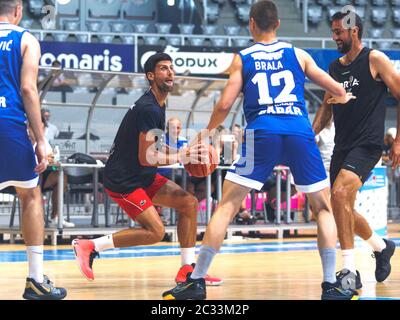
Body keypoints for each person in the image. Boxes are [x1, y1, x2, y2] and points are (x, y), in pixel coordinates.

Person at [162, 0, 356, 300]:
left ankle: (196, 280)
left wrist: (206, 133)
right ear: (277, 24)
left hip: (260, 133)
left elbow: (225, 104)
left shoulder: (243, 58)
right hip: (298, 131)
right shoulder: (298, 54)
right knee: (323, 208)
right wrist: (341, 97)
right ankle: (330, 285)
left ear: (251, 24)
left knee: (226, 206)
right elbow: (336, 89)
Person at [72, 53, 222, 286]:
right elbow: (147, 157)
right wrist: (182, 156)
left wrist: (184, 150)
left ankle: (188, 270)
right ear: (150, 76)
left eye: (172, 68)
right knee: (155, 232)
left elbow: (153, 147)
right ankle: (90, 245)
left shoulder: (158, 103)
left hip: (141, 175)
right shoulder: (148, 108)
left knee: (189, 203)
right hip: (124, 180)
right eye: (163, 68)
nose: (170, 72)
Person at [312, 11, 397, 290]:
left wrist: (398, 142)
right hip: (342, 145)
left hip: (368, 144)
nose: (335, 37)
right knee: (341, 208)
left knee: (338, 195)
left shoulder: (375, 60)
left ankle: (349, 270)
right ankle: (381, 246)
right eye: (333, 31)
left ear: (355, 31)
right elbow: (325, 108)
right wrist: (309, 136)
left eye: (339, 32)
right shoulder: (335, 68)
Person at [0, 0, 66, 300]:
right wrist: (41, 139)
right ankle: (36, 279)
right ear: (18, 11)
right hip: (8, 122)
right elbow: (28, 89)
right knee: (30, 194)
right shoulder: (25, 38)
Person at [27, 115, 74, 228]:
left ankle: (55, 217)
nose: (40, 131)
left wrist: (52, 162)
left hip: (40, 177)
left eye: (43, 128)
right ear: (29, 127)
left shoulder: (44, 143)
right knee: (37, 174)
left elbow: (51, 158)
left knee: (61, 177)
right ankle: (38, 218)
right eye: (37, 127)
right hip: (24, 178)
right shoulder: (22, 141)